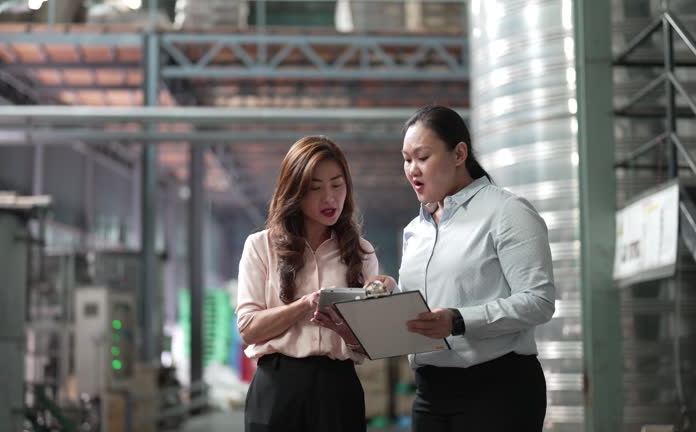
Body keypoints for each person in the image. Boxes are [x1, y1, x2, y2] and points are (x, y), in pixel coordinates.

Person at [369, 105, 555, 431]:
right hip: (430, 391)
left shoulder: (506, 212)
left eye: (422, 157)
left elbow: (538, 301)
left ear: (459, 154)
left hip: (498, 391)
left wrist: (457, 320)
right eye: (406, 159)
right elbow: (426, 307)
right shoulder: (416, 230)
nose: (412, 169)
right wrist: (392, 295)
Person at [235, 135, 379, 432]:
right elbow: (248, 328)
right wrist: (304, 306)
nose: (330, 198)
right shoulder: (261, 247)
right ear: (295, 192)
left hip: (338, 388)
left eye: (337, 185)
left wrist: (347, 328)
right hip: (277, 387)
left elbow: (368, 346)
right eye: (315, 188)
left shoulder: (361, 252)